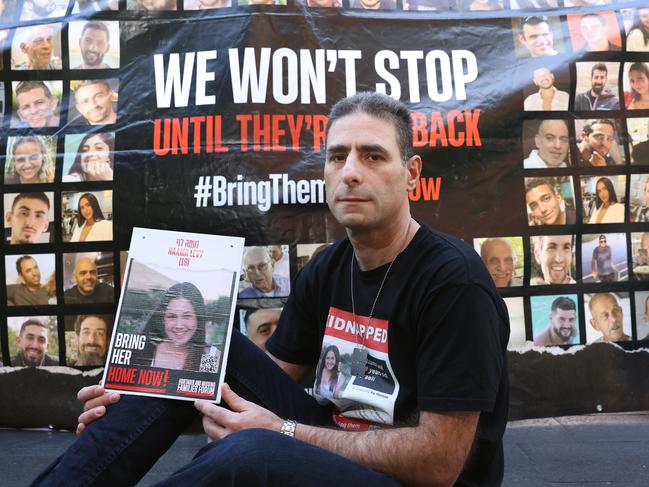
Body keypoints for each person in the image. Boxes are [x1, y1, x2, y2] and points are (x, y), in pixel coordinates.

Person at [33, 93, 509, 487]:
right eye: (337, 156)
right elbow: (247, 384)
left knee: (253, 450)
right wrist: (134, 393)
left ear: (412, 173)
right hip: (338, 444)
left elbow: (440, 463)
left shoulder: (454, 282)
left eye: (373, 155)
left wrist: (282, 431)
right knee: (194, 351)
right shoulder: (327, 268)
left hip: (417, 480)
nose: (351, 172)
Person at [135, 282, 221, 372]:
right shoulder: (146, 350)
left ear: (198, 318)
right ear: (163, 319)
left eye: (187, 316)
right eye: (171, 316)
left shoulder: (210, 356)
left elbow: (207, 382)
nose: (179, 325)